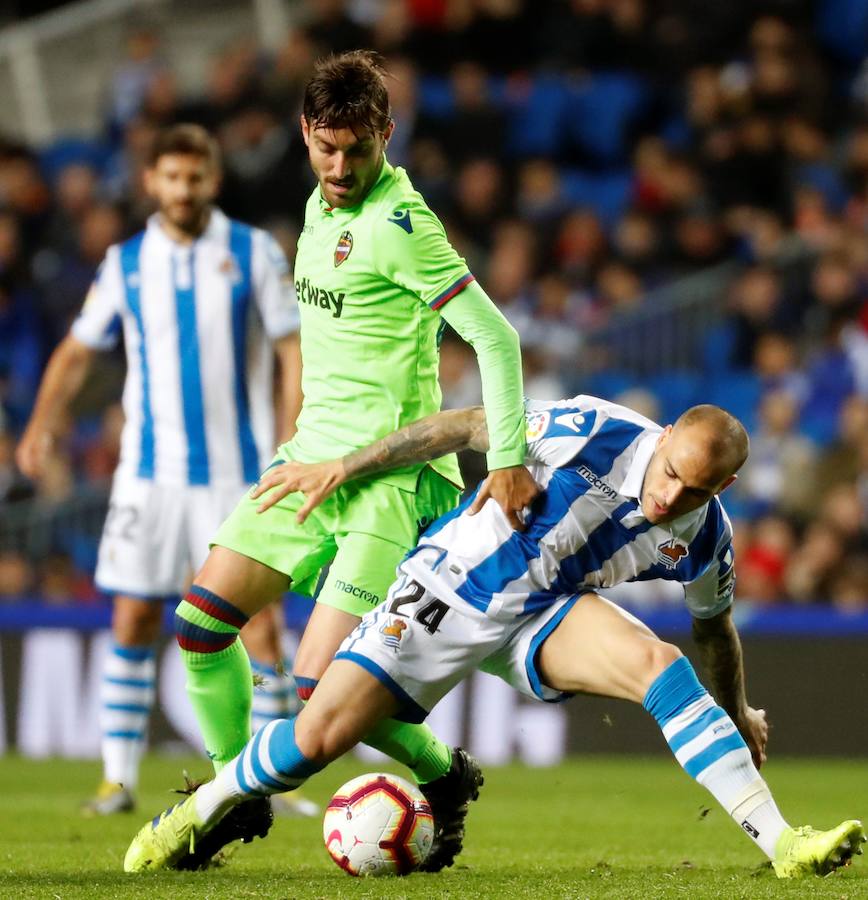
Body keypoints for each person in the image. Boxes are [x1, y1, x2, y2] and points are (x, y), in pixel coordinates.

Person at [125, 395, 864, 878]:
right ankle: (199, 810)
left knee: (659, 664)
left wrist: (737, 708)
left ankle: (784, 843)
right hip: (449, 588)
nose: (671, 496)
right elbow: (464, 425)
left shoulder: (705, 538)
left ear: (723, 489)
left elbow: (716, 631)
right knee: (313, 738)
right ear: (663, 437)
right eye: (670, 473)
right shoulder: (593, 431)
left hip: (544, 613)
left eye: (697, 491)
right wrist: (345, 467)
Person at [163, 50, 537, 871]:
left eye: (357, 152)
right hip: (307, 464)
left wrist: (505, 459)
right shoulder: (318, 208)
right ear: (304, 132)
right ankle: (236, 794)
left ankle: (445, 775)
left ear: (386, 137)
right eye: (325, 149)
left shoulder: (405, 225)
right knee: (200, 627)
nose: (339, 168)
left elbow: (497, 339)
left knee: (316, 692)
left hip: (389, 482)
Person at [16, 124, 312, 818]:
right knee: (132, 616)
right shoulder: (124, 263)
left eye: (196, 177)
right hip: (149, 476)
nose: (183, 190)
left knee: (260, 622)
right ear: (151, 181)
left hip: (239, 472)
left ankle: (266, 777)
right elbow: (78, 350)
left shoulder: (251, 252)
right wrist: (41, 423)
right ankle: (117, 780)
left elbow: (292, 349)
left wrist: (291, 435)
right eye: (171, 178)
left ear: (213, 179)